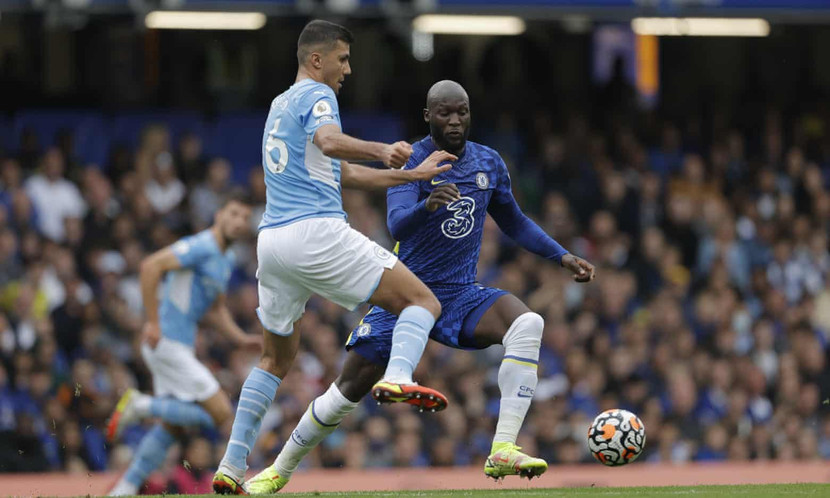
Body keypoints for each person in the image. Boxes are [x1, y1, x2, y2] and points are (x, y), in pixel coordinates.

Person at [242, 80, 596, 493]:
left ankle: (503, 447)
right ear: (428, 116)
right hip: (405, 296)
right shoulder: (414, 161)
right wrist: (428, 204)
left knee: (528, 323)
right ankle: (279, 470)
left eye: (462, 111)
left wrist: (561, 256)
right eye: (445, 113)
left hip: (460, 294)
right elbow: (396, 224)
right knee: (350, 388)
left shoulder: (488, 163)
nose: (455, 120)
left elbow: (514, 220)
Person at [213, 20, 457, 494]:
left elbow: (338, 171)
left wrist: (411, 176)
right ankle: (399, 377)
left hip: (274, 243)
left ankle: (230, 466)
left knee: (274, 359)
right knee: (421, 303)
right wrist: (383, 148)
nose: (348, 68)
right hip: (316, 233)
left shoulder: (280, 104)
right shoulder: (317, 96)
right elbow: (330, 142)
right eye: (343, 58)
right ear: (317, 59)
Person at [106, 194, 260, 496]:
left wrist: (241, 339)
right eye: (233, 213)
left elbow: (215, 309)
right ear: (219, 216)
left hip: (179, 346)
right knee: (220, 413)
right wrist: (152, 321)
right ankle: (141, 405)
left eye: (244, 217)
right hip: (166, 342)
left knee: (171, 426)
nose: (239, 222)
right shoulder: (201, 246)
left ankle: (125, 487)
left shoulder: (225, 258)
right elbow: (151, 266)